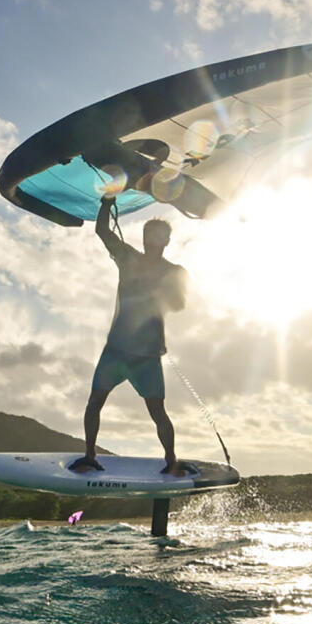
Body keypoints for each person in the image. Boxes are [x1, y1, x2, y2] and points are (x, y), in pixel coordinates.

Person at [70, 194, 190, 475]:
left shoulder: (175, 271)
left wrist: (159, 288)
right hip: (117, 350)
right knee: (95, 401)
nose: (154, 239)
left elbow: (179, 305)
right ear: (145, 237)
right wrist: (106, 202)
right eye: (150, 233)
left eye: (160, 235)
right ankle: (90, 454)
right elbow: (102, 230)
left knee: (157, 411)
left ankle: (171, 461)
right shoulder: (127, 257)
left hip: (147, 356)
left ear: (167, 241)